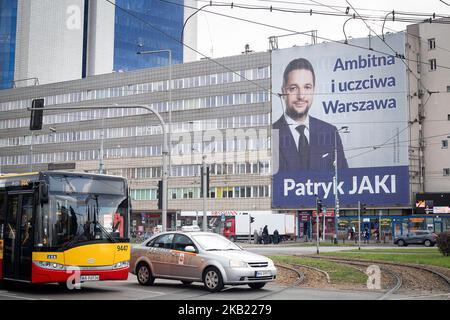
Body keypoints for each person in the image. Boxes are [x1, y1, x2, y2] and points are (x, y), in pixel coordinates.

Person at [273, 58, 348, 172]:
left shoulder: (330, 132)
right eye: (293, 88)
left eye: (307, 87)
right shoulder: (271, 133)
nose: (301, 96)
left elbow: (345, 179)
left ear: (314, 90)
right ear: (283, 92)